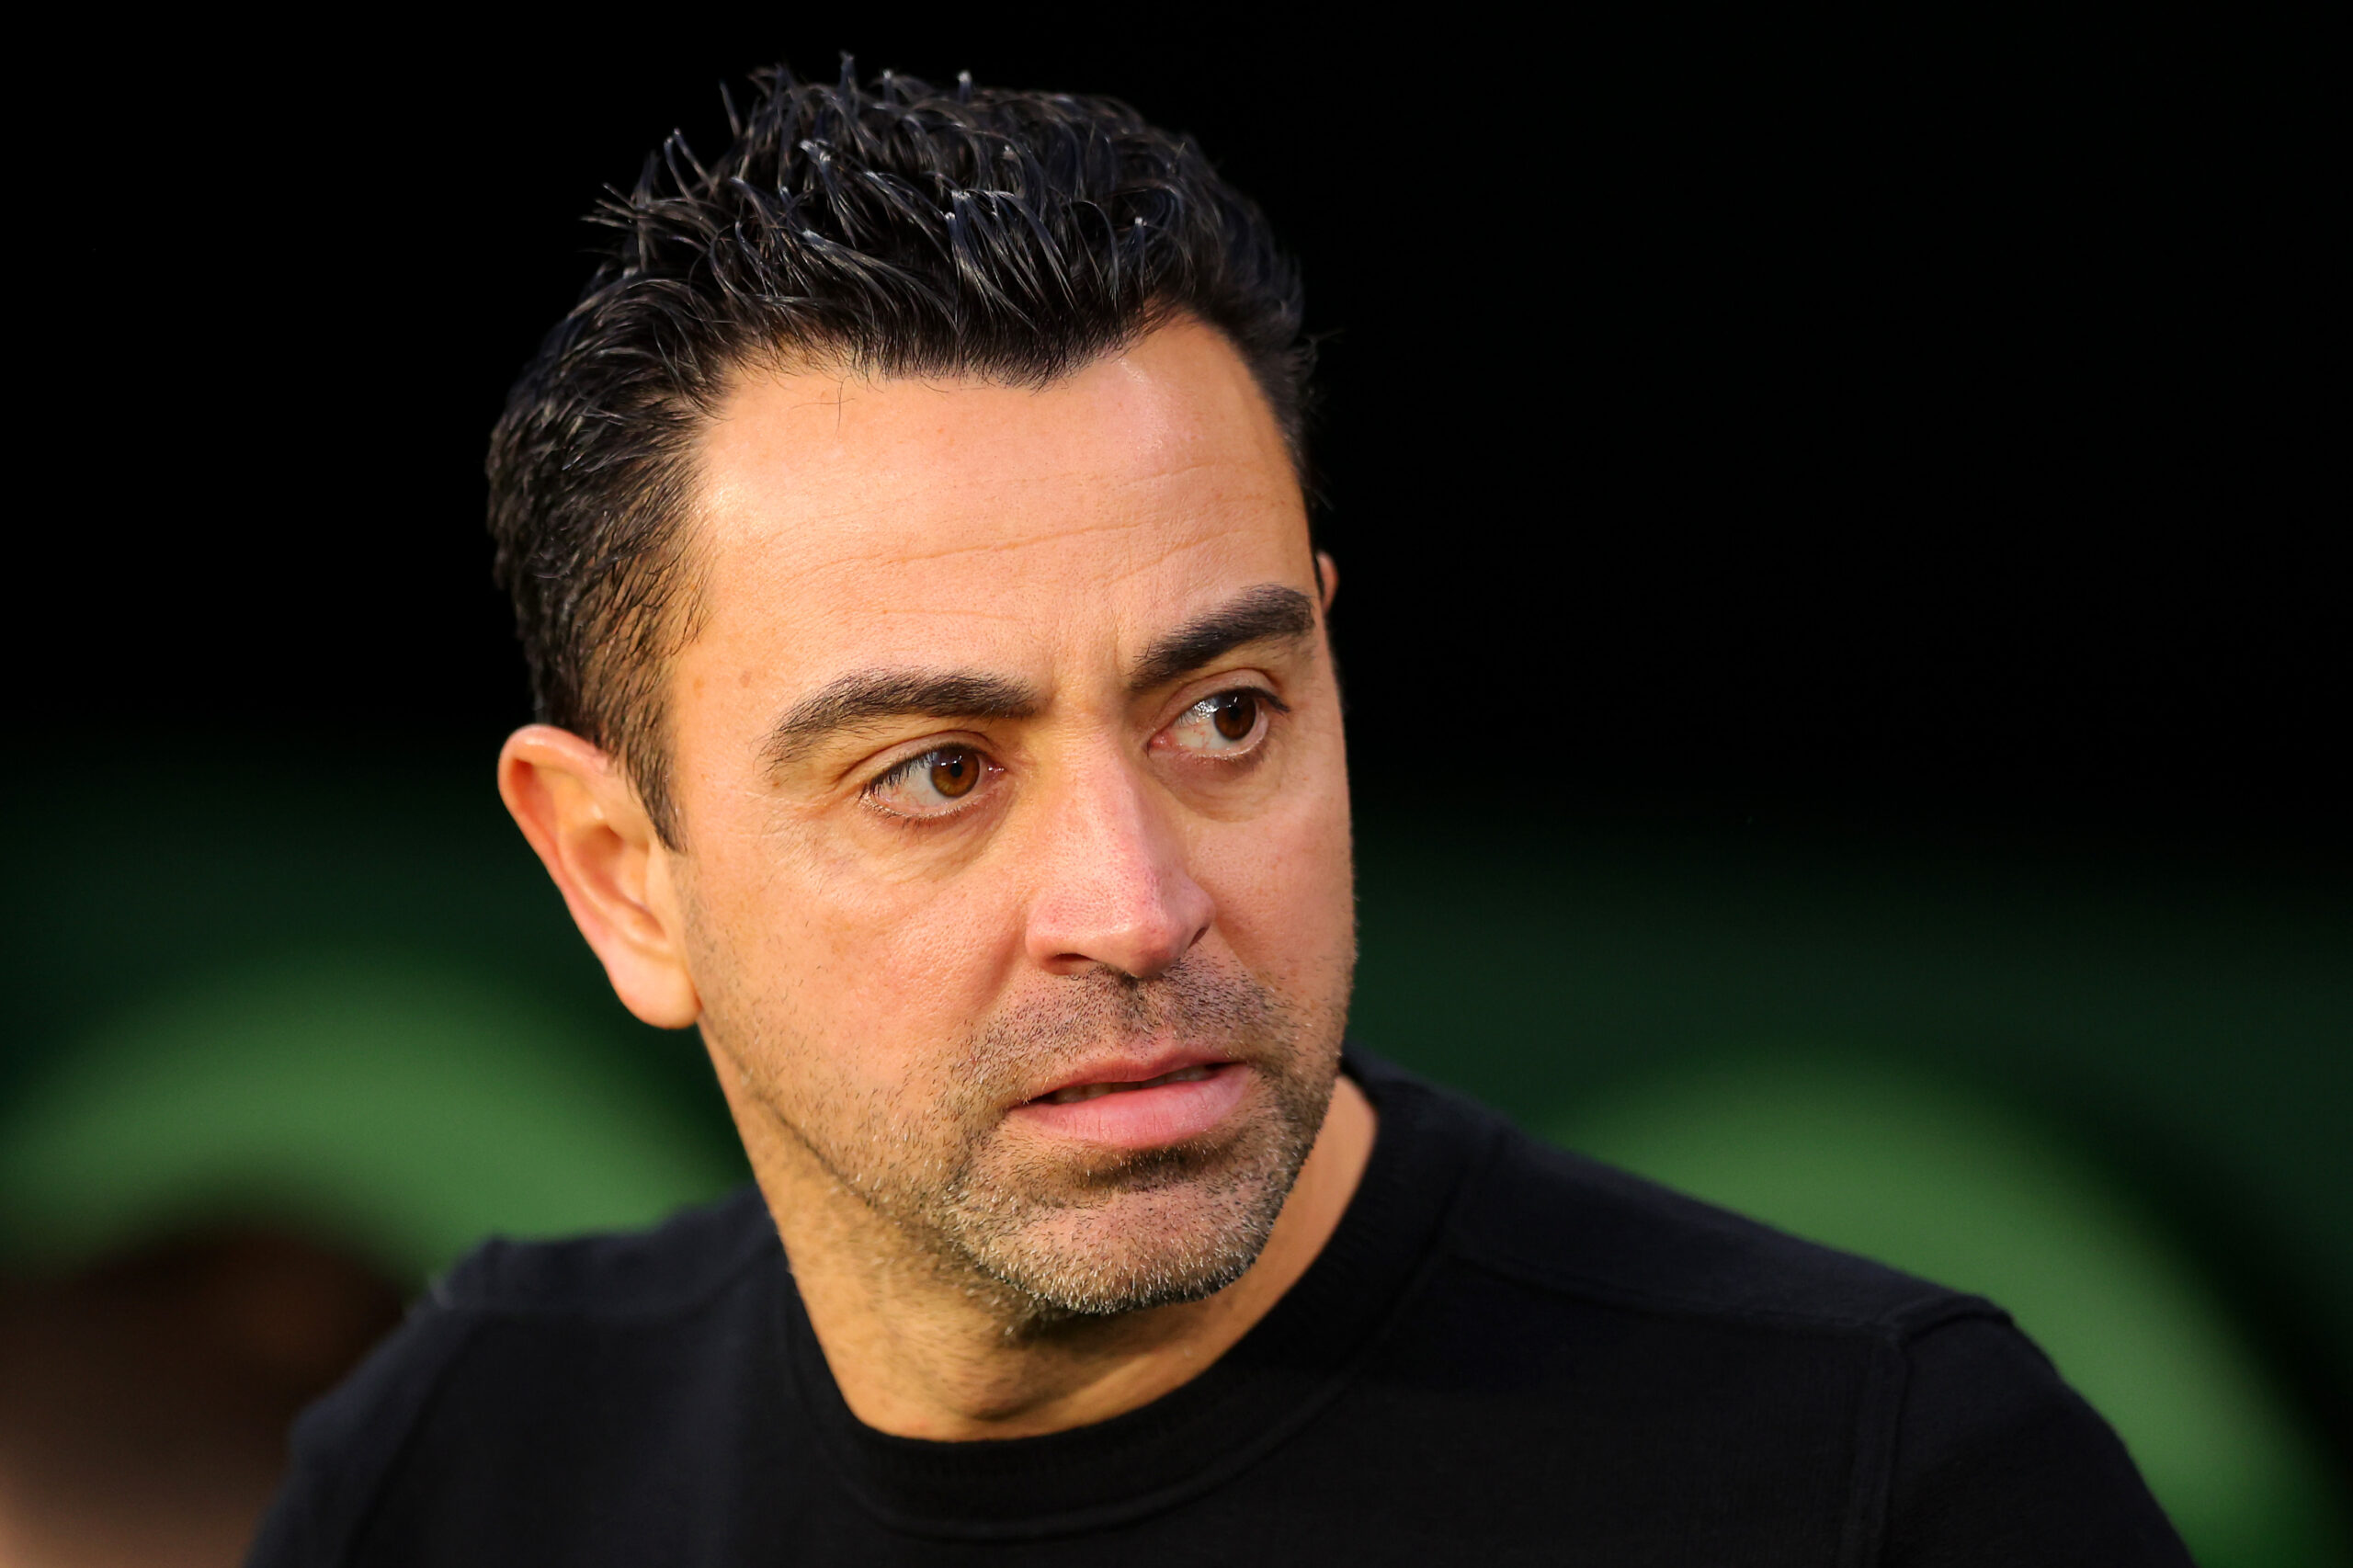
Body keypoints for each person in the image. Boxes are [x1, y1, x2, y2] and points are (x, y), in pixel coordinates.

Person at [249, 63, 2189, 1565]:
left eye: (1224, 714)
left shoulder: (1882, 1486)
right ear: (620, 878)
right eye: (938, 770)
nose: (1136, 901)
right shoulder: (467, 1463)